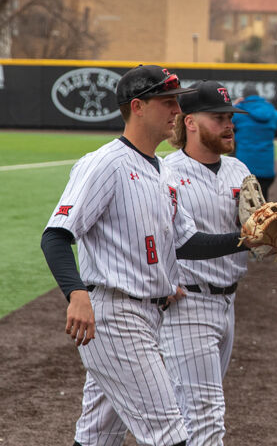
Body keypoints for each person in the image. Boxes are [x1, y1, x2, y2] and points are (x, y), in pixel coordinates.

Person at [39, 65, 260, 446]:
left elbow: (187, 243)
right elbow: (56, 236)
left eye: (176, 101)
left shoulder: (158, 170)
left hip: (146, 315)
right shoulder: (105, 163)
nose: (176, 109)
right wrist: (76, 294)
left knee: (98, 435)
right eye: (167, 101)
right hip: (114, 315)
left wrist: (246, 240)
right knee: (169, 433)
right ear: (138, 106)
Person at [160, 80, 258, 445]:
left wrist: (268, 237)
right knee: (205, 418)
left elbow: (255, 234)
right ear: (190, 122)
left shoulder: (238, 169)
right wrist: (161, 282)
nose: (228, 124)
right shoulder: (166, 172)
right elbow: (168, 241)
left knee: (188, 415)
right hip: (187, 304)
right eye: (218, 118)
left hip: (228, 304)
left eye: (230, 117)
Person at [232, 84, 277, 198]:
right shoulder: (272, 112)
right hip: (266, 169)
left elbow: (225, 123)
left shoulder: (238, 111)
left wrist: (234, 105)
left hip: (243, 169)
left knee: (243, 203)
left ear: (244, 97)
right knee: (262, 201)